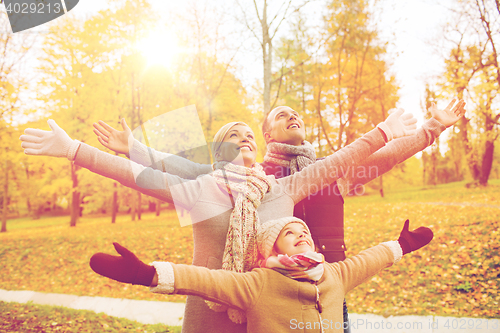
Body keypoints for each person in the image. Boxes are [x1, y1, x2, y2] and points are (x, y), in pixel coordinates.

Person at [20, 113, 412, 333]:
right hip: (210, 313)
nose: (243, 139)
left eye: (248, 136)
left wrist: (382, 133)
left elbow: (338, 162)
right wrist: (73, 149)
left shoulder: (280, 190)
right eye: (232, 136)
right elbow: (129, 173)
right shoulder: (200, 189)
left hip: (272, 315)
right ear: (217, 152)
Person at [94, 99, 465, 332]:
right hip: (266, 292)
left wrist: (433, 128)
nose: (293, 116)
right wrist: (136, 149)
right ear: (267, 132)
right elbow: (185, 170)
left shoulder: (328, 170)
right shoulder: (252, 177)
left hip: (327, 282)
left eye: (296, 113)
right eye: (281, 114)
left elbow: (387, 153)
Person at [89, 217, 433, 333]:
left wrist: (402, 244)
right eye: (290, 232)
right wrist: (144, 273)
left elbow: (372, 258)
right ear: (273, 250)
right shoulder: (259, 283)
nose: (301, 234)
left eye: (304, 231)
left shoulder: (334, 274)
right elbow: (203, 280)